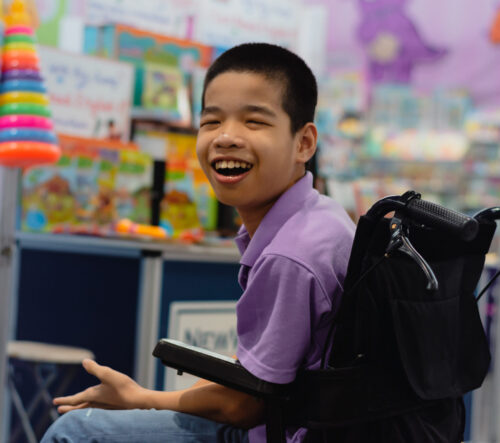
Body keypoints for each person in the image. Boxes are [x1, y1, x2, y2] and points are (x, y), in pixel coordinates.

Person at [41, 43, 356, 443]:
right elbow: (257, 375)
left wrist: (141, 398)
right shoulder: (323, 216)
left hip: (281, 433)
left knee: (75, 432)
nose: (226, 137)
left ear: (304, 143)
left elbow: (244, 406)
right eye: (211, 121)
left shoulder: (290, 255)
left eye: (254, 122)